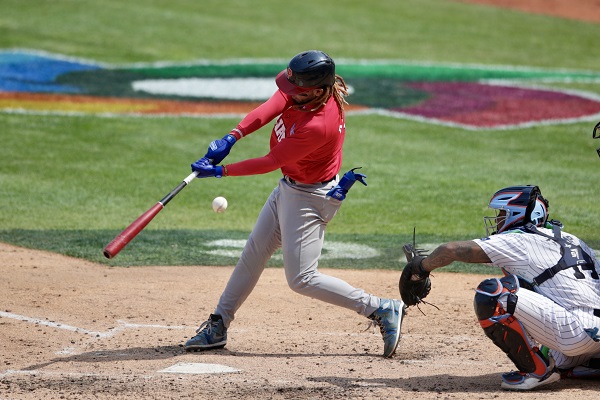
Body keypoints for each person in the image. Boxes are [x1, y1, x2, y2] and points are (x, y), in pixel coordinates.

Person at [184, 50, 405, 358]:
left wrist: (220, 171)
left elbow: (271, 161)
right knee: (254, 253)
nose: (288, 93)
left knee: (302, 278)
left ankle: (381, 309)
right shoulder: (306, 94)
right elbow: (271, 106)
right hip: (291, 189)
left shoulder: (319, 124)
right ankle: (219, 324)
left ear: (316, 90)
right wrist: (232, 137)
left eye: (295, 89)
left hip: (310, 199)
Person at [402, 185, 600, 390]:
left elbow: (451, 250)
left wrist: (420, 268)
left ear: (516, 214)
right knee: (530, 287)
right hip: (594, 338)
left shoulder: (519, 239)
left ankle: (535, 371)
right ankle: (587, 363)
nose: (497, 219)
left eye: (502, 213)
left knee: (493, 292)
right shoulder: (574, 240)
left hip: (573, 336)